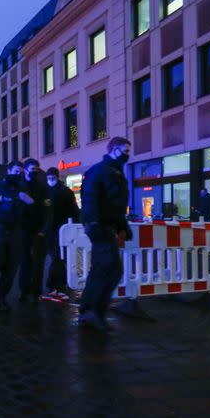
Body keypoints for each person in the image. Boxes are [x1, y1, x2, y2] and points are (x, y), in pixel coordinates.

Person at [78, 137, 132, 333]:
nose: (127, 154)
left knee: (101, 269)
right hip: (99, 226)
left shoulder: (114, 171)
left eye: (128, 150)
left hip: (103, 225)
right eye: (124, 150)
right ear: (114, 149)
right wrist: (93, 222)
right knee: (112, 269)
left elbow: (115, 205)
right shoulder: (102, 170)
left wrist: (122, 226)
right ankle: (95, 312)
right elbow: (91, 198)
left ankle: (89, 310)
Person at [0, 160, 34, 311]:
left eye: (21, 172)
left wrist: (29, 201)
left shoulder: (23, 188)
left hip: (17, 232)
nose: (19, 174)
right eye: (16, 171)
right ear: (9, 171)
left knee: (11, 269)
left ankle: (1, 298)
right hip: (0, 230)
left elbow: (31, 209)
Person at [40, 167, 80, 302]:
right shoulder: (63, 191)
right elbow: (74, 211)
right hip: (58, 229)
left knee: (57, 258)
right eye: (49, 178)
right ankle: (58, 284)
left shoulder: (59, 192)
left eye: (52, 178)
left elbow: (73, 211)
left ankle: (55, 285)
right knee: (59, 258)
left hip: (56, 229)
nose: (50, 180)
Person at [18, 158, 47, 304]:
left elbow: (46, 209)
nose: (35, 171)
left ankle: (36, 292)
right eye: (32, 168)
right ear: (26, 169)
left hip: (37, 229)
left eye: (37, 169)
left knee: (38, 262)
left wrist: (43, 228)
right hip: (23, 229)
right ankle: (24, 290)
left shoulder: (41, 186)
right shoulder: (19, 185)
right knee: (25, 261)